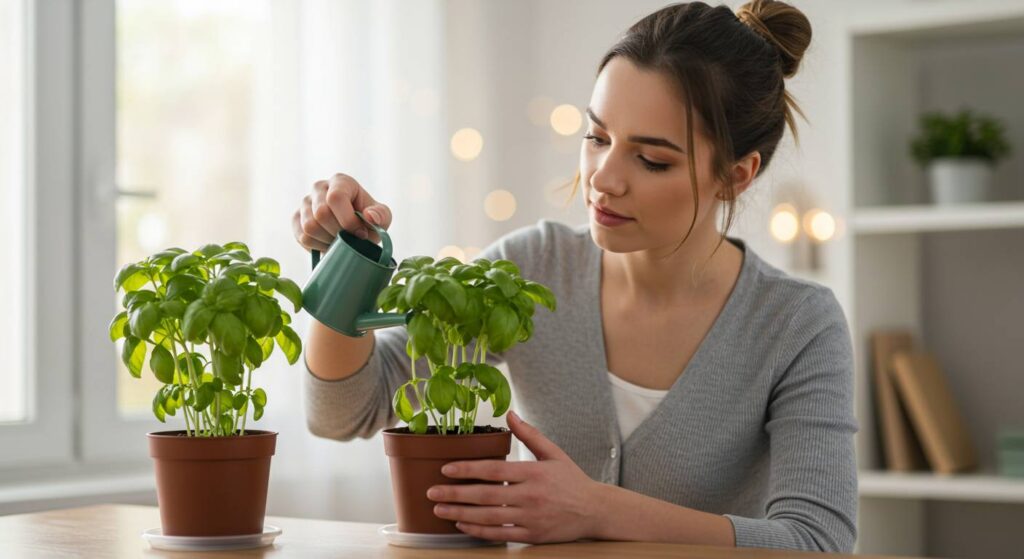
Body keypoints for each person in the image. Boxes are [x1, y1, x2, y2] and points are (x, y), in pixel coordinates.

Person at [293, 0, 857, 553]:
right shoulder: (529, 271)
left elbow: (817, 540)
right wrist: (350, 261)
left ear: (735, 176)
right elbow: (344, 412)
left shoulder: (797, 324)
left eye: (652, 160)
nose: (603, 179)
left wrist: (596, 508)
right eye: (597, 137)